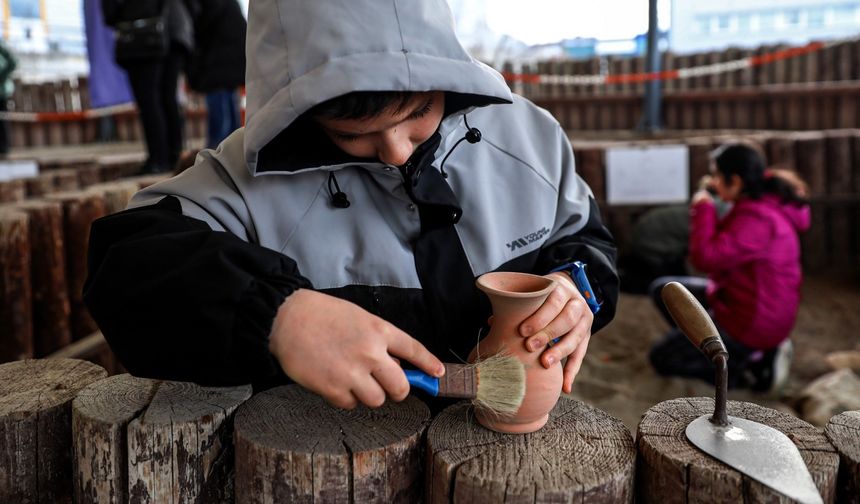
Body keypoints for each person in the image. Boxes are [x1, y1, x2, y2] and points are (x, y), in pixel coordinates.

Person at [84, 0, 619, 410]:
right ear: (302, 115)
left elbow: (586, 240)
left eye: (418, 113)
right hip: (335, 462)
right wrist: (277, 314)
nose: (396, 149)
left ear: (446, 75)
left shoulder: (530, 137)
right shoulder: (246, 180)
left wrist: (577, 289)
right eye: (352, 134)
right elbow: (125, 266)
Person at [648, 141, 810, 392]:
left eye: (716, 176)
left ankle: (745, 370)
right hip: (743, 302)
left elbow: (705, 259)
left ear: (735, 181)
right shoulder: (764, 201)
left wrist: (703, 207)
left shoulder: (758, 220)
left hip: (753, 323)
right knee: (665, 290)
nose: (712, 182)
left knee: (661, 359)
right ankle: (720, 349)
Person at [101, 0, 194, 174]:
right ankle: (173, 155)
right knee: (165, 97)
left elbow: (110, 13)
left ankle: (159, 159)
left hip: (147, 38)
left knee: (150, 100)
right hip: (171, 32)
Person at [184, 0, 246, 149]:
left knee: (220, 121)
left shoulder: (208, 8)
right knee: (231, 116)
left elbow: (199, 30)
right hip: (232, 61)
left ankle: (215, 158)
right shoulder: (228, 4)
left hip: (217, 63)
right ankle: (235, 154)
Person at [0, 39, 17, 155]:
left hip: (1, 93)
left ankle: (4, 149)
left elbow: (13, 62)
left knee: (2, 121)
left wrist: (2, 75)